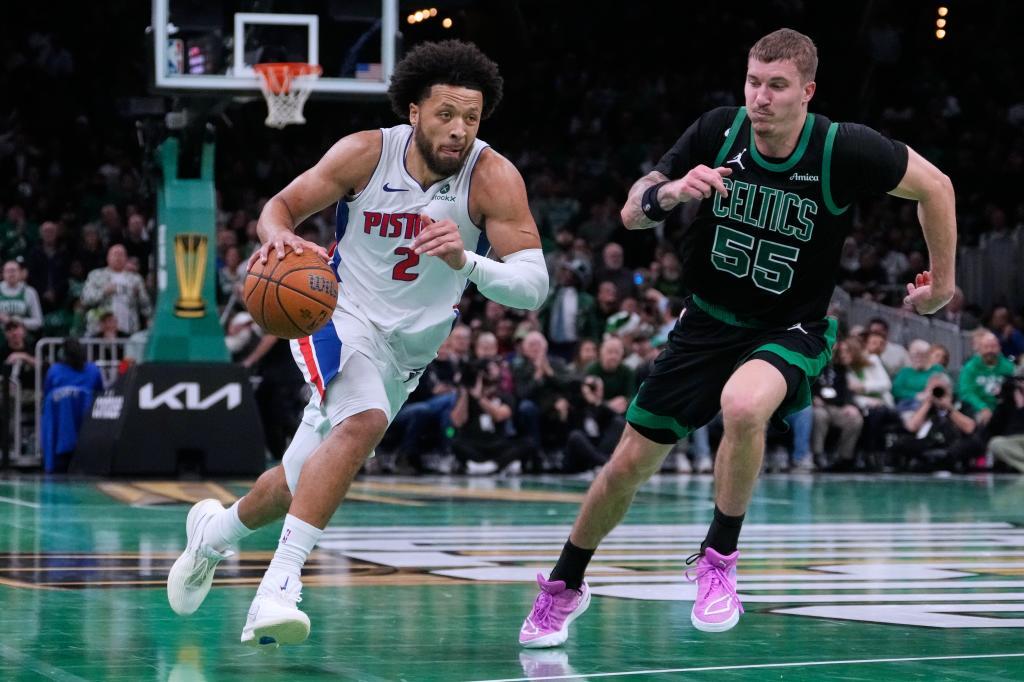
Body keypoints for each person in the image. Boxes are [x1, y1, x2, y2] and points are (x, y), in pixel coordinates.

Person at [519, 28, 955, 647]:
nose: (762, 97)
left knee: (744, 404)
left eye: (777, 86)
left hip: (791, 326)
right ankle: (564, 585)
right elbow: (632, 210)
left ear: (807, 91)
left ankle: (718, 560)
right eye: (754, 81)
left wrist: (942, 284)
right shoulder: (716, 130)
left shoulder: (839, 147)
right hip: (706, 322)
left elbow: (937, 186)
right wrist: (669, 192)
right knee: (625, 469)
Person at [165, 40, 548, 648]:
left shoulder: (492, 176)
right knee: (364, 419)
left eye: (471, 118)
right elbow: (280, 208)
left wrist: (467, 260)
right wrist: (276, 241)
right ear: (415, 111)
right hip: (336, 314)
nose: (458, 131)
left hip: (408, 354)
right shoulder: (367, 153)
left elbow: (533, 286)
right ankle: (279, 586)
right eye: (445, 114)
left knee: (294, 484)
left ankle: (211, 536)